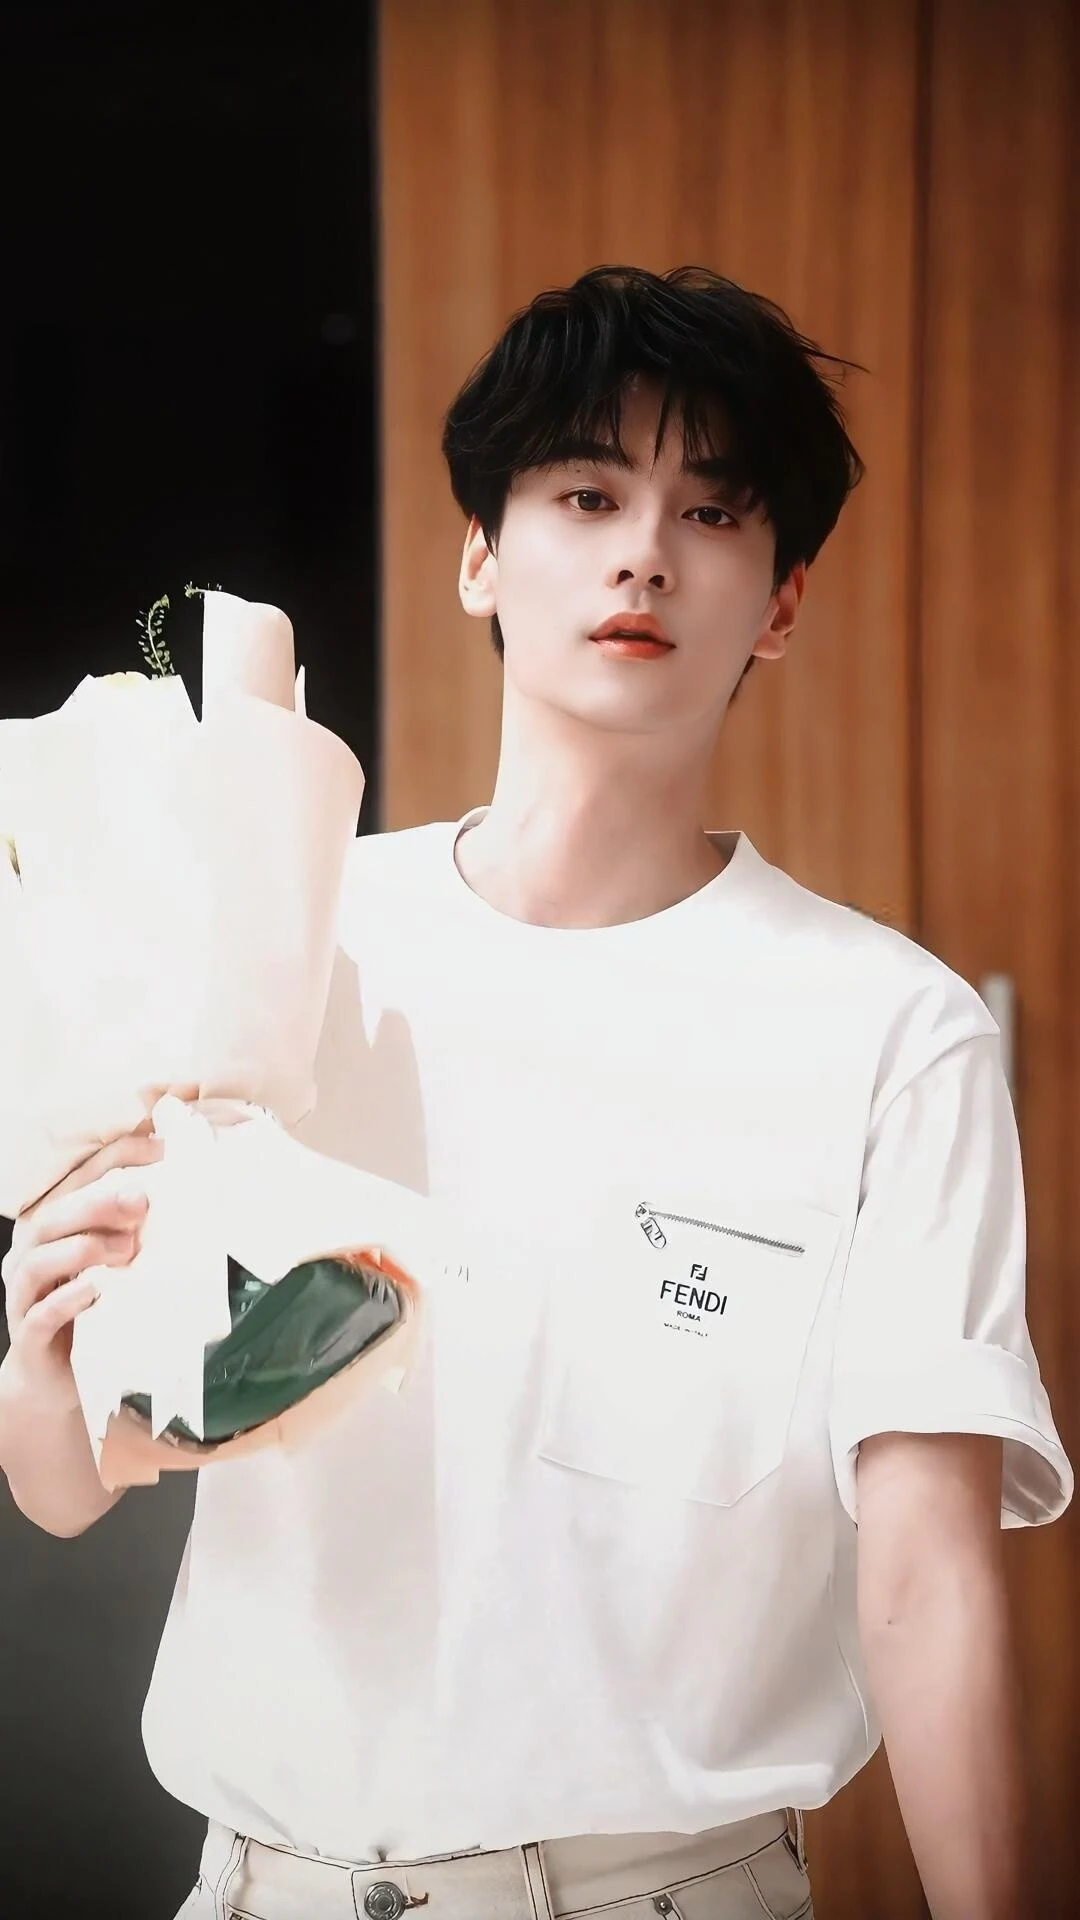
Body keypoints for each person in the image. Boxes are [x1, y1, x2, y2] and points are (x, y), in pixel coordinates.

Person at [0, 265, 1072, 1920]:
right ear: (482, 557)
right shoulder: (287, 935)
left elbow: (926, 1577)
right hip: (265, 1885)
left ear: (781, 602)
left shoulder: (889, 1032)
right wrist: (49, 1349)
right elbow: (78, 1475)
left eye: (713, 513)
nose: (646, 553)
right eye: (586, 496)